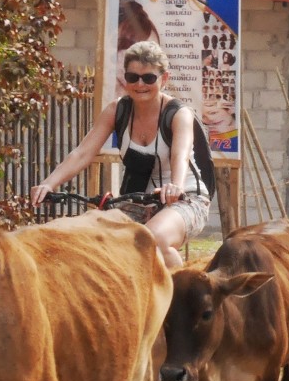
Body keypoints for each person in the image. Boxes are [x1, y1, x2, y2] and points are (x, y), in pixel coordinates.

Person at [31, 41, 211, 269]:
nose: (140, 84)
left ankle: (178, 300)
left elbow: (180, 154)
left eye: (149, 78)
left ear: (164, 79)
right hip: (140, 200)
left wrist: (175, 186)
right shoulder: (118, 110)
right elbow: (83, 152)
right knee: (93, 238)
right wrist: (48, 184)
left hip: (186, 198)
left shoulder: (177, 114)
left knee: (154, 239)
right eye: (133, 77)